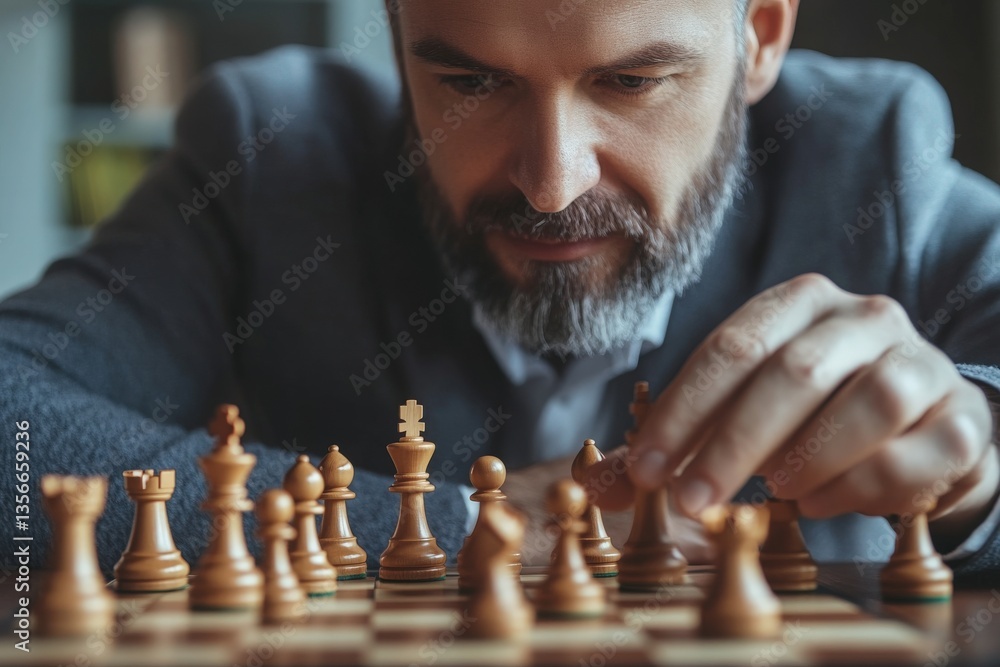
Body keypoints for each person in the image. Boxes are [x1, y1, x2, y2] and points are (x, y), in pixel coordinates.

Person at [2, 0, 1000, 582]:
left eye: (630, 84)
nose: (551, 181)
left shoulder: (876, 170)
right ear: (397, 36)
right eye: (472, 85)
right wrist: (464, 526)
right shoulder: (267, 158)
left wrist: (981, 466)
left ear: (761, 34)